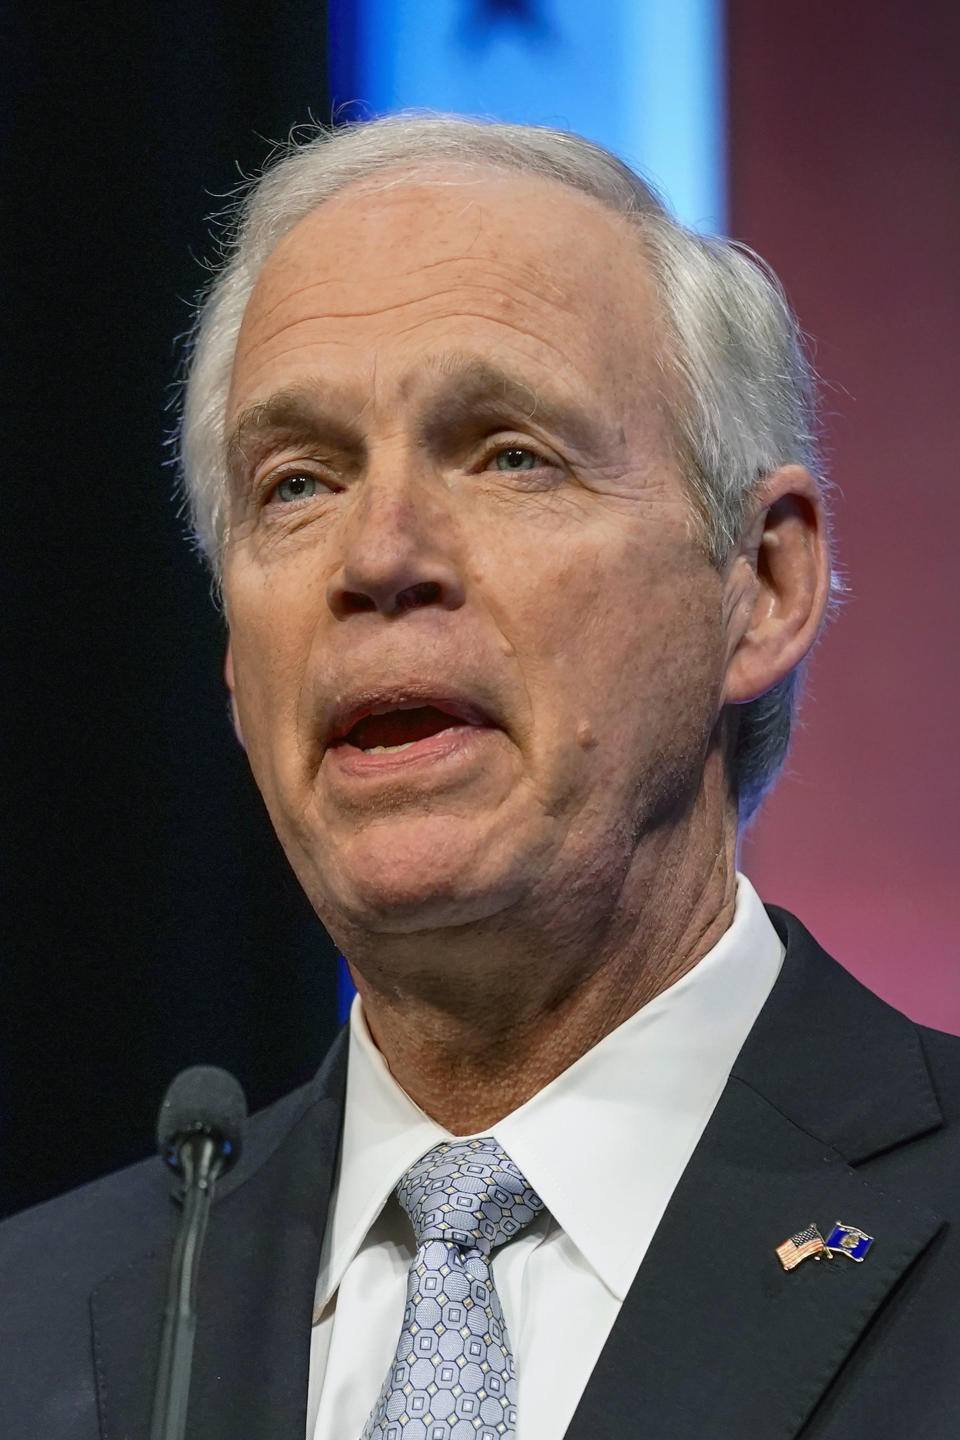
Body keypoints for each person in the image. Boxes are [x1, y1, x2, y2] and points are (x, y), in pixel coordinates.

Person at [2, 114, 958, 1440]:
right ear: (234, 657)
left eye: (510, 453)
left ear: (763, 585)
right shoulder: (34, 1331)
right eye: (297, 483)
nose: (378, 555)